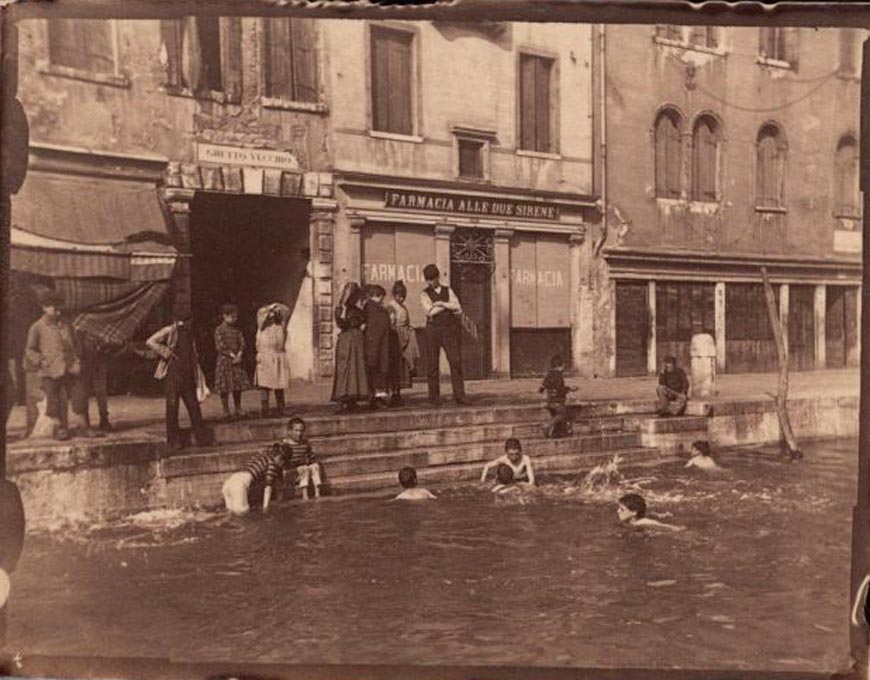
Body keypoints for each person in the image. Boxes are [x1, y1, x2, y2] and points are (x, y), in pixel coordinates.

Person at [146, 315, 210, 452]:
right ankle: (173, 440)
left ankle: (202, 438)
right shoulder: (170, 330)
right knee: (172, 406)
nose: (186, 325)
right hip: (173, 374)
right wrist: (165, 352)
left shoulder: (190, 333)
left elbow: (193, 354)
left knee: (193, 406)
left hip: (187, 375)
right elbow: (150, 341)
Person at [24, 290, 80, 441]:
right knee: (52, 399)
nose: (57, 311)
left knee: (65, 398)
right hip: (48, 370)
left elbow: (75, 344)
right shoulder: (37, 327)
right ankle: (58, 428)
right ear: (44, 307)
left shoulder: (66, 325)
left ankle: (65, 428)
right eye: (54, 308)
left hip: (66, 368)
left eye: (59, 307)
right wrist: (40, 360)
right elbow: (30, 349)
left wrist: (75, 360)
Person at [420, 264, 466, 406]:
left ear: (437, 277)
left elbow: (458, 307)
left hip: (449, 330)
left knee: (455, 361)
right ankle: (433, 398)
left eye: (431, 279)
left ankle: (460, 396)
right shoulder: (424, 293)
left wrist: (440, 304)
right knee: (432, 364)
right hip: (432, 330)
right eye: (427, 280)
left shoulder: (448, 289)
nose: (429, 282)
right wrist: (447, 305)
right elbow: (429, 312)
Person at [222, 442, 293, 515]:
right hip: (239, 486)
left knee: (231, 514)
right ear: (280, 458)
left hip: (229, 482)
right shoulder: (272, 464)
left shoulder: (262, 456)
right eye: (283, 463)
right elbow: (268, 488)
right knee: (243, 516)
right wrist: (266, 508)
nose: (282, 465)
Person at [331, 282, 370, 413]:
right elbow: (342, 323)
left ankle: (351, 399)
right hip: (349, 340)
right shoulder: (344, 309)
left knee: (353, 369)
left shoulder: (353, 310)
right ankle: (345, 399)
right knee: (347, 368)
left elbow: (349, 323)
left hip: (352, 340)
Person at [213, 304, 251, 420]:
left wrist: (239, 354)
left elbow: (242, 342)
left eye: (236, 317)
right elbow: (220, 346)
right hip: (225, 361)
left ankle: (238, 408)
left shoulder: (237, 330)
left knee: (237, 385)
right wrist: (232, 355)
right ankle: (226, 410)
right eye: (232, 317)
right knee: (224, 387)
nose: (234, 319)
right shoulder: (219, 330)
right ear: (224, 316)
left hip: (236, 361)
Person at [386, 280, 419, 406]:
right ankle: (394, 393)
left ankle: (398, 393)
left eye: (403, 296)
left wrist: (409, 328)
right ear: (394, 295)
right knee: (395, 367)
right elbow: (391, 324)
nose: (401, 298)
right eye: (399, 295)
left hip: (404, 337)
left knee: (402, 367)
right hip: (396, 339)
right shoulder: (391, 307)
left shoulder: (403, 307)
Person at [255, 302, 291, 419]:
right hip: (265, 356)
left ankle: (281, 407)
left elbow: (286, 311)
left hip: (278, 355)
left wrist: (276, 306)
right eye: (270, 315)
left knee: (279, 384)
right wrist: (269, 309)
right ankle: (265, 409)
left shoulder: (280, 325)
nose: (272, 316)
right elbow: (261, 318)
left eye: (274, 314)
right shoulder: (262, 326)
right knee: (265, 384)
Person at [363, 284, 392, 409]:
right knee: (377, 372)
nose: (382, 300)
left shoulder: (373, 309)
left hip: (378, 345)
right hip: (376, 346)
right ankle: (375, 399)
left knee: (376, 372)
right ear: (375, 296)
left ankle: (375, 398)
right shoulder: (372, 309)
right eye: (380, 297)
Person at [539, 354, 577, 438]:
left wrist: (543, 390)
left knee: (558, 416)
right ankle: (547, 425)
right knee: (564, 414)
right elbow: (560, 389)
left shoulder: (549, 374)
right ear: (560, 366)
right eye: (563, 366)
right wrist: (570, 389)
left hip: (550, 400)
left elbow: (543, 385)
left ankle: (556, 432)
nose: (564, 368)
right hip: (557, 400)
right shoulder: (558, 376)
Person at [617, 493, 684, 531]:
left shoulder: (642, 523)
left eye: (622, 509)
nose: (618, 511)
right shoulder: (632, 522)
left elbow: (663, 526)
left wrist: (678, 529)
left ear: (634, 512)